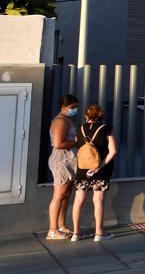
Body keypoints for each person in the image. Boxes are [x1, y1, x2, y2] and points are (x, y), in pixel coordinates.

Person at [70, 103, 118, 242]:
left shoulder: (80, 129)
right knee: (98, 200)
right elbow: (113, 151)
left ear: (86, 116)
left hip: (82, 169)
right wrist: (99, 166)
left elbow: (78, 146)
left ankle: (76, 233)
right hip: (100, 171)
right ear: (101, 116)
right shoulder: (107, 128)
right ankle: (99, 233)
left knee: (78, 200)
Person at [46, 94, 79, 241]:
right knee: (59, 195)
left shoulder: (68, 119)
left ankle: (61, 225)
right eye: (72, 107)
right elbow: (59, 144)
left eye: (76, 107)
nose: (75, 110)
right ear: (63, 107)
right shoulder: (60, 121)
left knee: (65, 195)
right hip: (61, 161)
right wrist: (77, 141)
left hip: (69, 161)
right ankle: (52, 230)